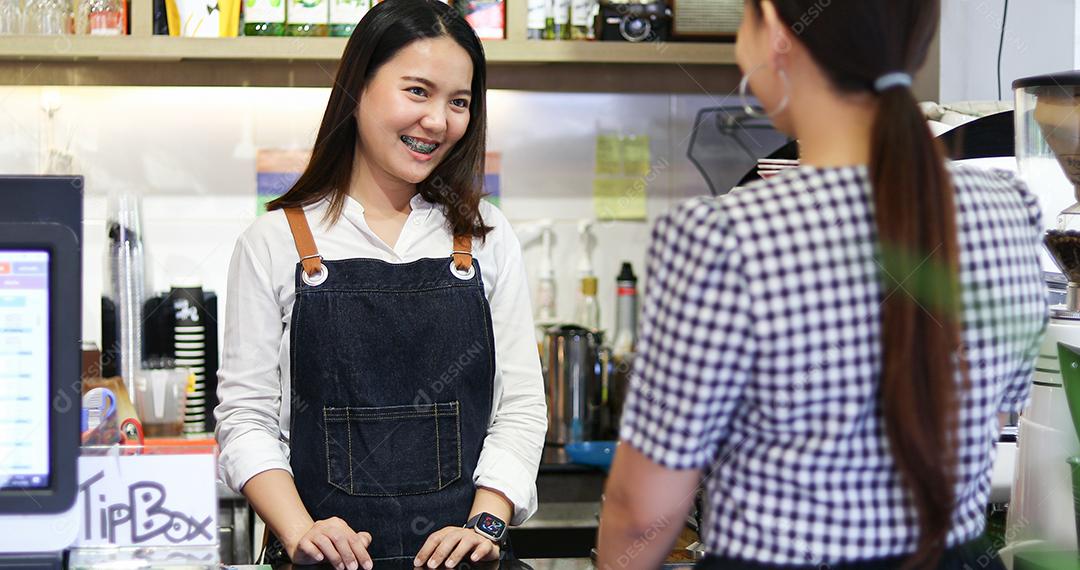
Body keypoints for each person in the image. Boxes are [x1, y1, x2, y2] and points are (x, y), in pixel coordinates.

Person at [597, 1, 1047, 568]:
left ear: (777, 31)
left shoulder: (725, 234)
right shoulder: (1009, 211)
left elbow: (645, 509)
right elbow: (1007, 405)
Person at [214, 2, 547, 569]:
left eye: (459, 102)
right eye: (417, 91)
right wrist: (301, 532)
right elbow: (245, 418)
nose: (439, 121)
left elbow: (519, 405)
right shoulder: (275, 241)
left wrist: (488, 521)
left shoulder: (485, 237)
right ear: (358, 88)